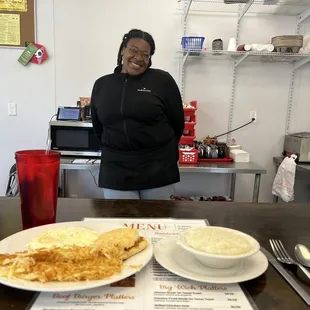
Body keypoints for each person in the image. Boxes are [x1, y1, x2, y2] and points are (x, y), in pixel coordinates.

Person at [91, 29, 184, 200]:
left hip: (157, 168)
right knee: (120, 224)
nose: (139, 58)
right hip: (116, 168)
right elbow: (98, 127)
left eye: (145, 54)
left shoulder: (162, 81)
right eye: (133, 50)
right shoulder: (102, 85)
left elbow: (177, 124)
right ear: (122, 50)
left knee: (157, 225)